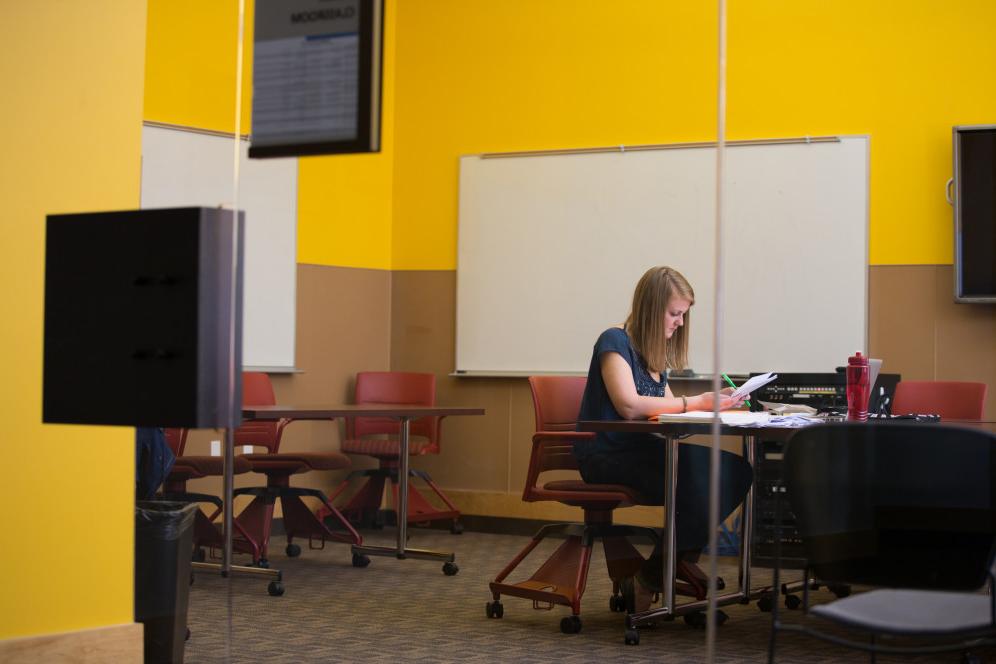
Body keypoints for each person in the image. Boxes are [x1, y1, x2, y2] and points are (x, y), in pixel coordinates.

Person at [575, 265, 753, 611]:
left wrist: (718, 404)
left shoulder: (654, 357)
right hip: (606, 456)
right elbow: (629, 405)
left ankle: (653, 574)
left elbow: (666, 410)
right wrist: (695, 402)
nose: (680, 323)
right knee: (704, 479)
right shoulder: (614, 341)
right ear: (650, 309)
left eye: (683, 315)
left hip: (644, 450)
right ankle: (662, 571)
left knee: (737, 471)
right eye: (674, 314)